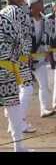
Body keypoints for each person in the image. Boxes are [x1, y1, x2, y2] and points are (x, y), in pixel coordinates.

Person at [0, 12, 33, 152]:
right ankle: (18, 146)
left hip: (7, 69)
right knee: (13, 109)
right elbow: (21, 47)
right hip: (6, 70)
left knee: (14, 109)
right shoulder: (9, 21)